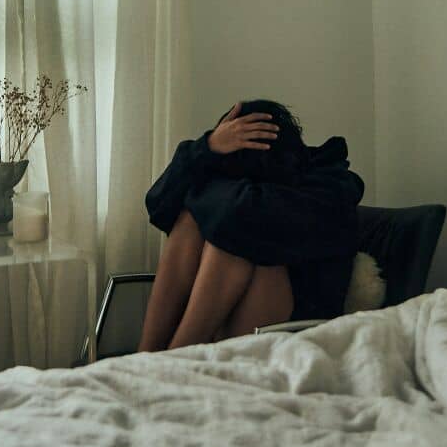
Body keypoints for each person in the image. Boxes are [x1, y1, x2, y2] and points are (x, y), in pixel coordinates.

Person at [138, 99, 364, 352]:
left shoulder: (329, 186)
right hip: (233, 315)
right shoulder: (236, 194)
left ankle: (176, 355)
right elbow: (157, 206)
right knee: (189, 221)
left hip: (299, 324)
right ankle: (145, 356)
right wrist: (206, 148)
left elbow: (241, 213)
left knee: (232, 239)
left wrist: (203, 184)